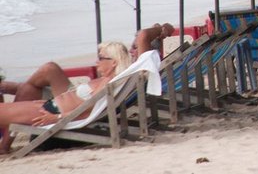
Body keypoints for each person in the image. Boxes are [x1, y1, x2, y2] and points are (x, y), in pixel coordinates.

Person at [0, 23, 172, 153]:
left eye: (101, 58)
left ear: (113, 63)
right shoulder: (114, 81)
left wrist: (57, 117)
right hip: (47, 107)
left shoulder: (109, 83)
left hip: (49, 113)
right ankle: (3, 147)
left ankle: (3, 148)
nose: (97, 61)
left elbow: (87, 111)